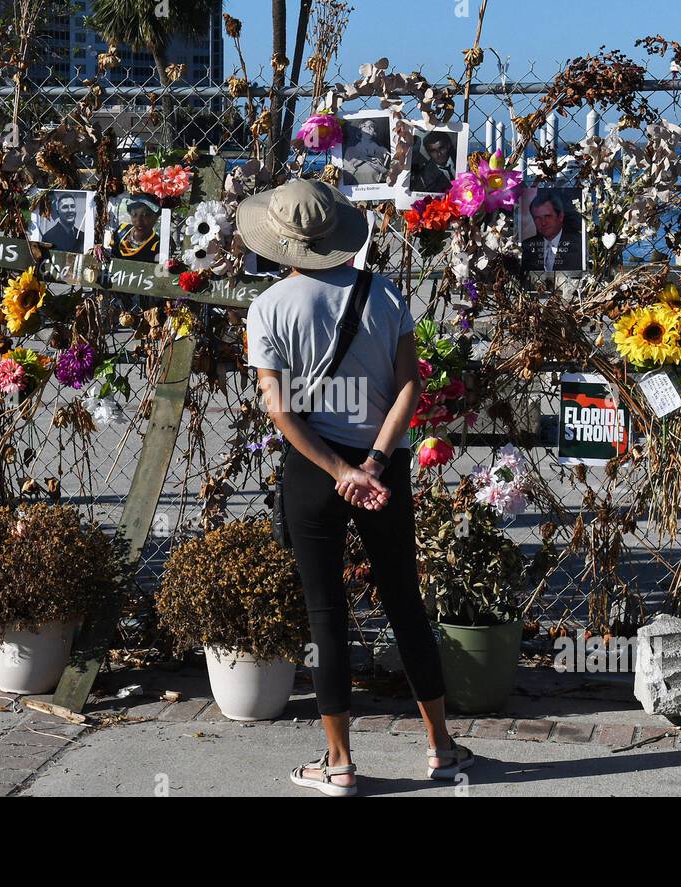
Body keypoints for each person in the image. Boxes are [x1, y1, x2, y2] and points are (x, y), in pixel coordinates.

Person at [238, 178, 475, 797]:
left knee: (327, 615)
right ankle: (442, 748)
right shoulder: (385, 294)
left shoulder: (268, 309)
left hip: (315, 469)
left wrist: (339, 470)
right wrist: (371, 460)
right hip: (382, 467)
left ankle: (339, 763)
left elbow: (279, 409)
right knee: (404, 601)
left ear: (283, 242)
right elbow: (410, 390)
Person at [521, 191, 584, 273]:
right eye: (537, 218)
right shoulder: (526, 247)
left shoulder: (579, 244)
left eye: (547, 216)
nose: (543, 223)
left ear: (560, 216)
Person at [341, 118, 390, 186]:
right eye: (364, 126)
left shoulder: (383, 151)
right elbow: (343, 181)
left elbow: (391, 179)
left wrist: (382, 170)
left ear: (374, 132)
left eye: (371, 126)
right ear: (360, 131)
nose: (368, 128)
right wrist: (355, 164)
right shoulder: (350, 151)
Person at [112, 196, 161, 263]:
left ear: (156, 218)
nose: (139, 221)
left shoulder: (157, 245)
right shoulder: (121, 231)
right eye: (134, 214)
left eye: (146, 215)